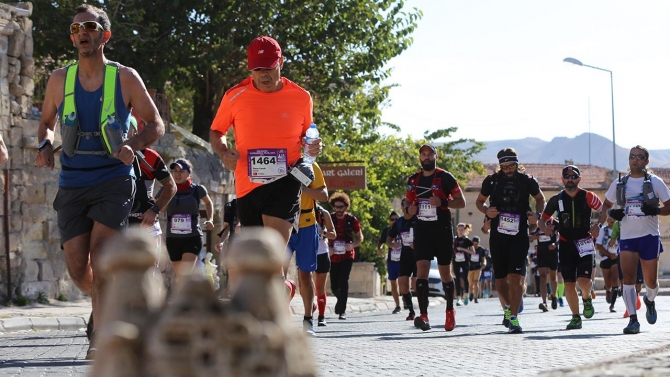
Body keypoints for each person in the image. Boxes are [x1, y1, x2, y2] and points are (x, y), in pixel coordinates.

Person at [34, 4, 164, 359]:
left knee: (102, 257)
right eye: (75, 29)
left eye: (89, 27)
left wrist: (133, 144)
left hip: (114, 178)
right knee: (78, 269)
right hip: (73, 180)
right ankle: (114, 298)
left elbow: (155, 124)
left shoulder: (125, 77)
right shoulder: (60, 79)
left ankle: (100, 335)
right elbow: (46, 122)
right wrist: (44, 144)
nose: (81, 34)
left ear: (104, 34)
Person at [209, 35, 322, 292]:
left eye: (269, 68)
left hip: (286, 180)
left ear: (280, 62)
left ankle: (272, 322)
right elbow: (216, 131)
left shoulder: (301, 98)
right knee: (256, 263)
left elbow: (309, 135)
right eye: (257, 69)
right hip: (248, 185)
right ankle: (282, 289)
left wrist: (314, 145)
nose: (263, 75)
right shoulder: (234, 96)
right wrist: (224, 151)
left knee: (271, 255)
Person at [598, 145, 670, 334]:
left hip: (649, 236)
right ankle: (633, 319)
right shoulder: (619, 183)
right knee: (628, 279)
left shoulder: (655, 182)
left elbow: (669, 207)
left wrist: (655, 210)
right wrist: (606, 218)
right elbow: (606, 206)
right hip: (628, 237)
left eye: (639, 157)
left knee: (651, 282)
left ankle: (650, 300)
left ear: (646, 161)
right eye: (632, 156)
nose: (635, 160)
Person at [475, 148, 545, 334]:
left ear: (516, 163)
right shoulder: (492, 181)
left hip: (519, 235)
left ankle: (514, 318)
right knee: (500, 282)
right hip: (498, 236)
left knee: (516, 277)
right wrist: (486, 211)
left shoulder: (527, 181)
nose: (507, 169)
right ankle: (507, 309)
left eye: (511, 165)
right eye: (504, 166)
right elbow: (479, 201)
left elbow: (540, 199)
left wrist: (536, 215)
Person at [406, 144, 466, 332]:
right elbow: (407, 204)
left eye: (429, 154)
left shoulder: (445, 177)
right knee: (421, 270)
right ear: (419, 158)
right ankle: (423, 315)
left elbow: (462, 202)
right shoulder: (413, 179)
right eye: (423, 155)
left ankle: (450, 311)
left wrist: (443, 202)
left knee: (445, 273)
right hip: (422, 229)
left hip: (442, 230)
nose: (426, 158)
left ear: (435, 156)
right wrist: (409, 209)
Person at [539, 165, 602, 330]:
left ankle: (587, 298)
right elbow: (542, 219)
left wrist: (598, 225)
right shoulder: (556, 199)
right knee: (568, 283)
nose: (570, 179)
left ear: (579, 179)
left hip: (585, 241)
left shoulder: (588, 196)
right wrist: (545, 228)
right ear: (562, 179)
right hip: (566, 243)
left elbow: (605, 210)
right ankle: (575, 317)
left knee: (584, 281)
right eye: (566, 176)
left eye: (573, 176)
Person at [286, 162, 328, 335]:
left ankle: (308, 319)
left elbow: (324, 195)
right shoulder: (277, 160)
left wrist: (301, 187)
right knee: (277, 273)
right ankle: (281, 317)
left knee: (305, 274)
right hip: (283, 221)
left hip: (306, 224)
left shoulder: (310, 165)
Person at [164, 159, 215, 283]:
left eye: (181, 171)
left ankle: (185, 300)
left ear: (189, 174)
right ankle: (183, 298)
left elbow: (208, 203)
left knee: (185, 273)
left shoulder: (197, 189)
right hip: (173, 238)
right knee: (179, 277)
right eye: (175, 171)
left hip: (192, 237)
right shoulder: (167, 189)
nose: (177, 174)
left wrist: (210, 219)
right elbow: (158, 205)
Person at [328, 192, 364, 320]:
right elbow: (320, 234)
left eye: (341, 207)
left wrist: (352, 245)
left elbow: (360, 238)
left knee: (343, 282)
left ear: (346, 207)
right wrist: (328, 247)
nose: (338, 210)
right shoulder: (329, 218)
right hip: (333, 256)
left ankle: (342, 310)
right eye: (336, 207)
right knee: (333, 286)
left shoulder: (352, 220)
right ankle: (340, 299)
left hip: (347, 255)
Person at [387, 198, 418, 320]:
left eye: (412, 205)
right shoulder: (399, 223)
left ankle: (423, 310)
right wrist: (391, 244)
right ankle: (411, 311)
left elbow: (428, 237)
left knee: (416, 285)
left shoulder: (418, 220)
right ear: (403, 207)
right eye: (407, 205)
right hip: (404, 255)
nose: (410, 207)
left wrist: (418, 243)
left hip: (418, 256)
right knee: (403, 285)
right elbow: (389, 239)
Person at [314, 203, 337, 326]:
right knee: (304, 285)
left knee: (320, 287)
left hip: (322, 252)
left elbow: (333, 234)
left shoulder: (323, 213)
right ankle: (311, 304)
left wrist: (322, 233)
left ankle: (321, 316)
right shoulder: (297, 208)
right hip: (305, 252)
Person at [530, 216, 559, 311]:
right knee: (542, 277)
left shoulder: (555, 222)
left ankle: (554, 297)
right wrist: (533, 237)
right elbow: (529, 235)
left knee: (553, 277)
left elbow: (563, 236)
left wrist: (556, 244)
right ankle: (544, 301)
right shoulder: (538, 223)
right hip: (542, 253)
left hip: (552, 253)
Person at [378, 211, 402, 314]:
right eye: (392, 219)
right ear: (389, 221)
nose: (394, 221)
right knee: (393, 284)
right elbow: (381, 242)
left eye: (396, 219)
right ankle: (397, 305)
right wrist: (379, 248)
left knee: (403, 283)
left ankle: (406, 298)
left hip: (403, 260)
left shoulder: (403, 230)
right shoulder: (387, 231)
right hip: (392, 261)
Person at [596, 216, 620, 313]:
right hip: (605, 258)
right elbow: (598, 246)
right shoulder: (603, 230)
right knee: (608, 283)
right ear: (607, 220)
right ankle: (607, 290)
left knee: (615, 280)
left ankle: (612, 305)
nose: (612, 220)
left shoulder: (619, 230)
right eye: (610, 218)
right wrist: (609, 255)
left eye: (614, 218)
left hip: (616, 258)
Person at [453, 223, 474, 306]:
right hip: (456, 261)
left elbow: (473, 252)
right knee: (457, 279)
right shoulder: (454, 240)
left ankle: (466, 295)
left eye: (462, 230)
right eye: (459, 229)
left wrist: (462, 249)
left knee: (465, 278)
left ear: (464, 230)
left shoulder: (467, 240)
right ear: (457, 230)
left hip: (465, 261)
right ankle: (458, 298)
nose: (460, 231)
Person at [468, 236, 487, 303]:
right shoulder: (469, 249)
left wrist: (484, 263)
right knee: (470, 283)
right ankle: (471, 294)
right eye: (474, 244)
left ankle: (476, 297)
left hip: (478, 268)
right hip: (470, 268)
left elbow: (483, 258)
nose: (475, 245)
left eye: (476, 244)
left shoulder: (481, 249)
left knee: (476, 282)